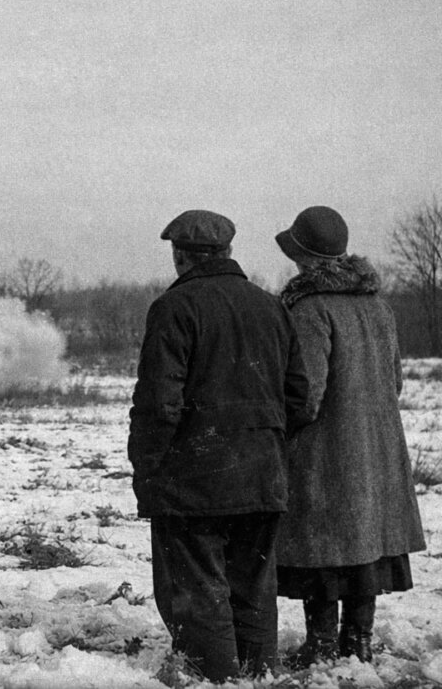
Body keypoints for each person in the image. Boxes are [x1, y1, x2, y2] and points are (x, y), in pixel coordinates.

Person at [129, 210, 310, 681]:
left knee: (197, 587)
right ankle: (258, 674)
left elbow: (158, 404)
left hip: (194, 482)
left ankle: (216, 678)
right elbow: (299, 399)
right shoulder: (273, 308)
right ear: (227, 252)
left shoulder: (174, 308)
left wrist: (147, 469)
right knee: (253, 585)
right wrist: (264, 445)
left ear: (180, 256)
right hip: (263, 476)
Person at [273, 206, 426, 666]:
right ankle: (358, 642)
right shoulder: (378, 305)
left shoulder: (309, 307)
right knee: (365, 550)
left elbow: (307, 392)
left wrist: (284, 432)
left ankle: (320, 646)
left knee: (322, 549)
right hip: (376, 450)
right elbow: (395, 381)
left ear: (305, 258)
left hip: (327, 453)